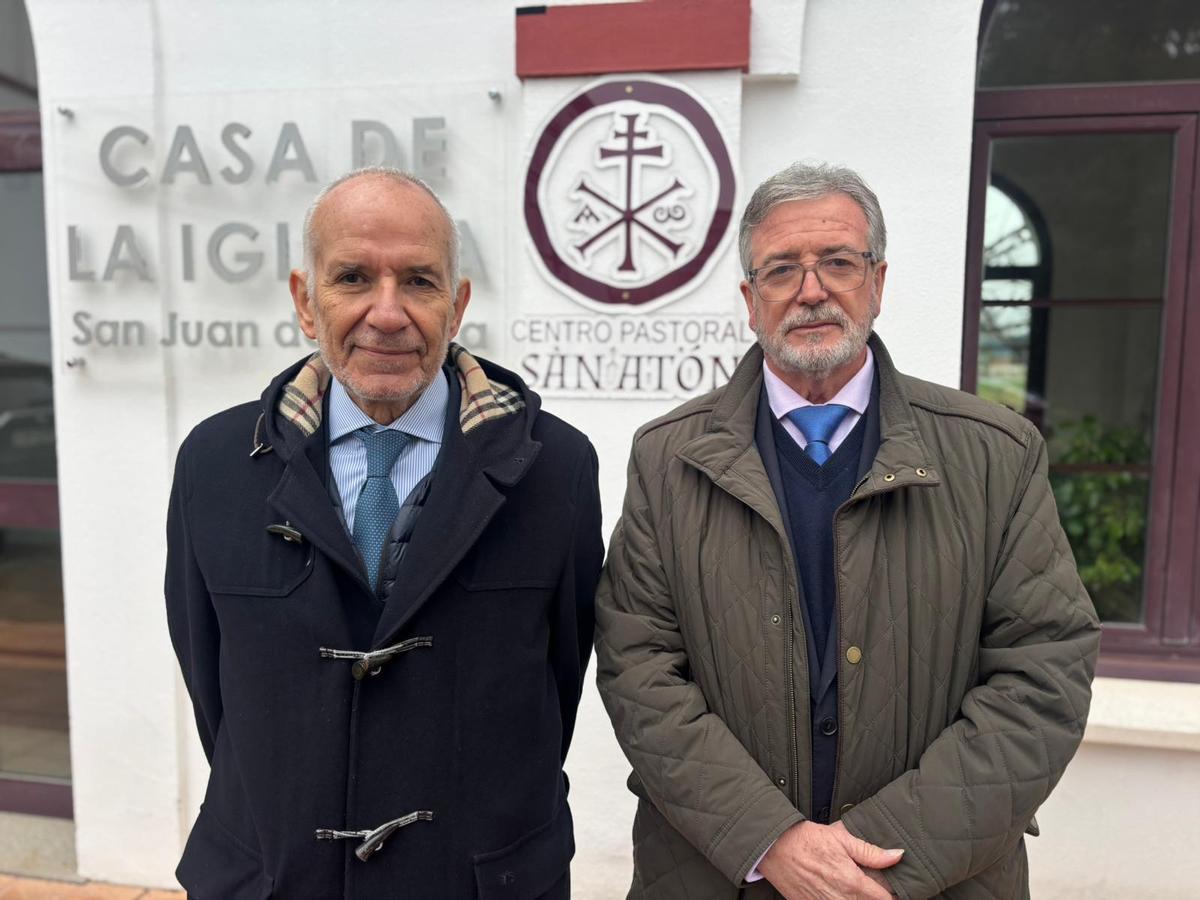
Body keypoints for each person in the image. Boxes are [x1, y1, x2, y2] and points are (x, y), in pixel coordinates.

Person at [595, 161, 1100, 899]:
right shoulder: (668, 457)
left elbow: (1043, 675)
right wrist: (771, 842)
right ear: (749, 299)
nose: (811, 290)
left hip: (930, 881)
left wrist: (873, 860)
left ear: (878, 282)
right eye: (781, 270)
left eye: (837, 262)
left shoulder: (996, 454)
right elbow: (638, 670)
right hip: (720, 874)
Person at [166, 168, 603, 899]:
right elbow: (211, 683)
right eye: (353, 277)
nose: (388, 312)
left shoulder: (555, 469)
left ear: (457, 304)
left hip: (480, 881)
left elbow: (559, 681)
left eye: (420, 282)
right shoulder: (214, 466)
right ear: (306, 301)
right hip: (272, 877)